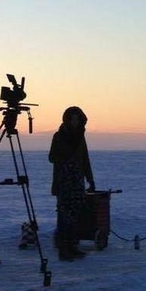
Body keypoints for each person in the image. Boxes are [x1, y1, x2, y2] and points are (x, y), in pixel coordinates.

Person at [49, 106, 95, 261]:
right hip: (64, 180)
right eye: (72, 119)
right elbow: (52, 157)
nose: (74, 122)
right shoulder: (59, 136)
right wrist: (66, 158)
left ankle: (72, 246)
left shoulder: (80, 137)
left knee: (75, 214)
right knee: (64, 214)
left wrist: (90, 178)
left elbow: (85, 159)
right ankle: (63, 248)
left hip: (77, 180)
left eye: (77, 119)